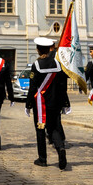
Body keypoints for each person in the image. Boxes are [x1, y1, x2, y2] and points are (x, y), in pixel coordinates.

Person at [26, 37, 68, 169]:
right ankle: (60, 148)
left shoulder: (36, 65)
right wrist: (65, 102)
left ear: (38, 50)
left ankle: (42, 159)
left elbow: (32, 87)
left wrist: (28, 104)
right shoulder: (57, 64)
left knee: (40, 129)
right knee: (54, 128)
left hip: (41, 103)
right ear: (50, 49)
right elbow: (63, 85)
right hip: (55, 102)